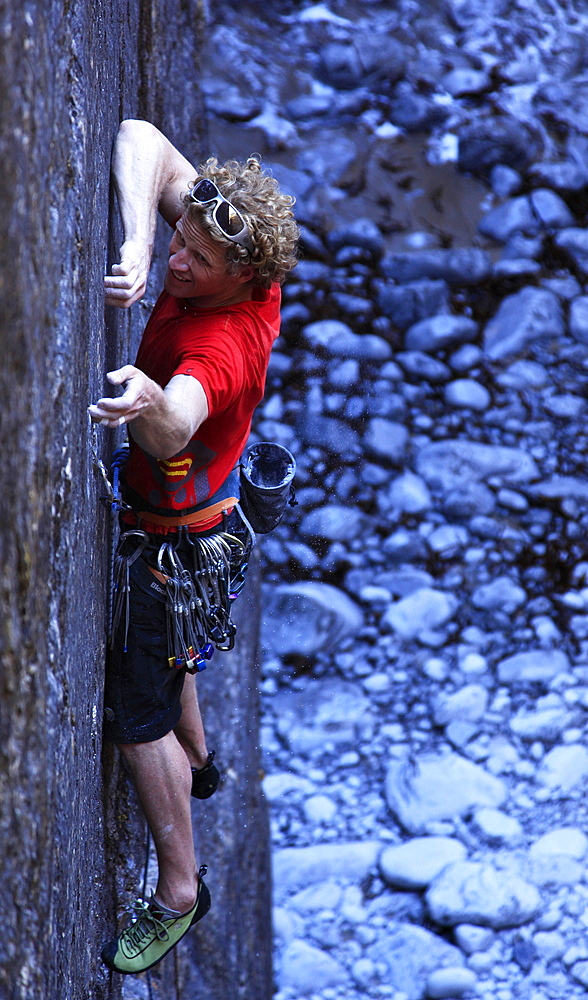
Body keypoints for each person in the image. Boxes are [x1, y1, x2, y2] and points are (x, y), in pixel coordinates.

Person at [89, 119, 298, 975]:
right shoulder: (217, 245)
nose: (181, 264)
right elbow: (141, 137)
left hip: (173, 545)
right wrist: (143, 239)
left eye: (194, 263)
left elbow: (180, 416)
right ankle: (204, 764)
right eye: (182, 240)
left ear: (238, 278)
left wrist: (144, 400)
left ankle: (180, 887)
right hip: (200, 534)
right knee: (178, 654)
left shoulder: (225, 343)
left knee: (138, 718)